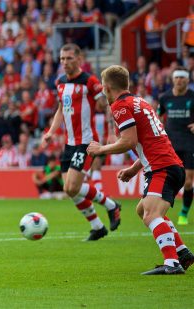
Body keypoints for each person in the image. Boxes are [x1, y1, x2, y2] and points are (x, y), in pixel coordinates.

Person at [87, 65, 194, 275]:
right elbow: (150, 140)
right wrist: (135, 168)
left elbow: (128, 141)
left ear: (107, 87)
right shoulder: (141, 102)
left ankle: (172, 263)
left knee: (150, 214)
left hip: (162, 167)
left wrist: (101, 149)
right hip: (167, 164)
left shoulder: (119, 106)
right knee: (142, 210)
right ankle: (182, 253)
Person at [42, 43, 121, 241]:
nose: (64, 62)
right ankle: (97, 226)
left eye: (69, 58)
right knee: (70, 189)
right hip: (69, 143)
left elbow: (106, 106)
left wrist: (112, 131)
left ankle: (111, 205)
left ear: (79, 59)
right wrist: (51, 131)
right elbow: (61, 108)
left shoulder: (90, 81)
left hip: (86, 142)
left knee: (71, 187)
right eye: (62, 58)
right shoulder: (59, 82)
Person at [158, 67, 194, 225]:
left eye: (182, 77)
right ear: (173, 79)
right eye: (177, 77)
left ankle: (184, 213)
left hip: (189, 143)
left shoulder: (193, 97)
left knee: (187, 181)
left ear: (188, 80)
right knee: (168, 178)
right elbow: (157, 115)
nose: (179, 80)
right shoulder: (165, 97)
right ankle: (160, 210)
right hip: (170, 144)